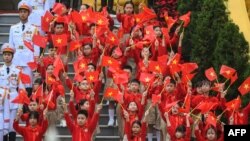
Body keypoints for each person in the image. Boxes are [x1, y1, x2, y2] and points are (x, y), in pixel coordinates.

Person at [9, 1, 40, 96]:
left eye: (25, 12)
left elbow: (37, 45)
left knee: (28, 84)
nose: (22, 14)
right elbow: (11, 45)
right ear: (19, 13)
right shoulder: (13, 28)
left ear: (28, 13)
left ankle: (27, 108)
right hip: (16, 59)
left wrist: (35, 60)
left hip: (28, 60)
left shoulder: (34, 28)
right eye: (21, 11)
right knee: (16, 83)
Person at [0, 43, 24, 141]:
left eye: (9, 54)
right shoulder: (0, 70)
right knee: (3, 126)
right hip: (2, 100)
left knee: (12, 126)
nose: (7, 56)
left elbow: (21, 89)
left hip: (14, 99)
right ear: (2, 56)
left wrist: (20, 106)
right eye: (5, 54)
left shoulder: (18, 71)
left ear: (12, 56)